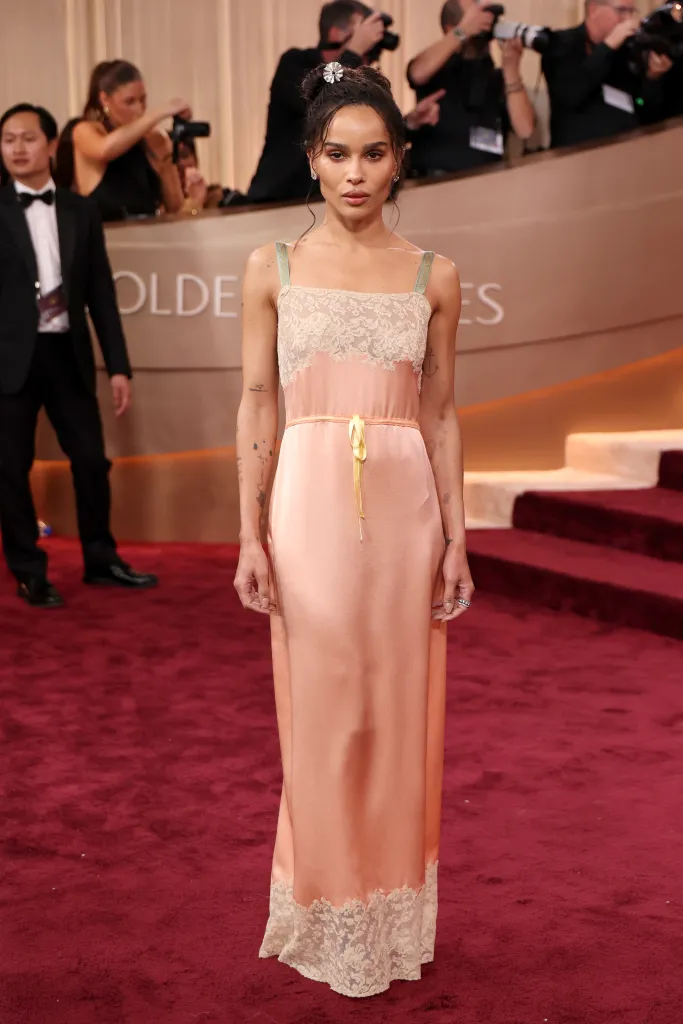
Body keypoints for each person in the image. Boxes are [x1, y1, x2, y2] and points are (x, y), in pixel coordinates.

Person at [234, 63, 474, 997]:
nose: (355, 173)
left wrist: (455, 538)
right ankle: (325, 902)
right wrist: (249, 533)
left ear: (399, 159)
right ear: (311, 159)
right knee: (326, 711)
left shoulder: (433, 275)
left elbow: (441, 413)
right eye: (337, 154)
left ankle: (389, 910)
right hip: (307, 509)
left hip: (407, 515)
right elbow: (257, 401)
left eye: (373, 154)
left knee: (398, 713)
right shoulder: (273, 266)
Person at [0, 103, 158, 608]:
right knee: (10, 467)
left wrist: (119, 367)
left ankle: (101, 559)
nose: (18, 148)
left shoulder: (80, 210)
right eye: (8, 139)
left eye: (28, 138)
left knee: (91, 460)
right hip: (10, 360)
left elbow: (101, 295)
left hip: (67, 352)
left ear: (51, 145)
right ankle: (29, 570)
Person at [246, 1, 445, 203]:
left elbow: (371, 138)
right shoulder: (296, 63)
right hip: (280, 200)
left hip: (329, 200)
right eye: (363, 32)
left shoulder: (357, 79)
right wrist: (354, 51)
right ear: (335, 34)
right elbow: (325, 98)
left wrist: (410, 123)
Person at [407, 0, 536, 176]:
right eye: (474, 17)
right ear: (450, 28)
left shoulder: (496, 77)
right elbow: (417, 73)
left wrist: (512, 69)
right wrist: (463, 31)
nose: (481, 24)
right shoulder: (436, 69)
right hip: (434, 181)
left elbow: (525, 129)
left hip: (486, 180)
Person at [59, 60, 192, 221]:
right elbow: (105, 150)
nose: (139, 109)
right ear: (105, 100)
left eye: (143, 100)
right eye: (129, 102)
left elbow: (175, 207)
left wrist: (167, 161)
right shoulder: (85, 131)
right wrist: (158, 114)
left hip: (147, 233)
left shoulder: (154, 139)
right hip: (104, 233)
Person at [542, 0, 673, 149]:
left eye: (631, 12)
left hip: (630, 148)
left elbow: (644, 108)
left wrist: (652, 77)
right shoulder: (561, 43)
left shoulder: (626, 49)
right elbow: (571, 93)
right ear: (593, 10)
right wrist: (609, 44)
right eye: (621, 10)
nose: (628, 19)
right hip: (579, 152)